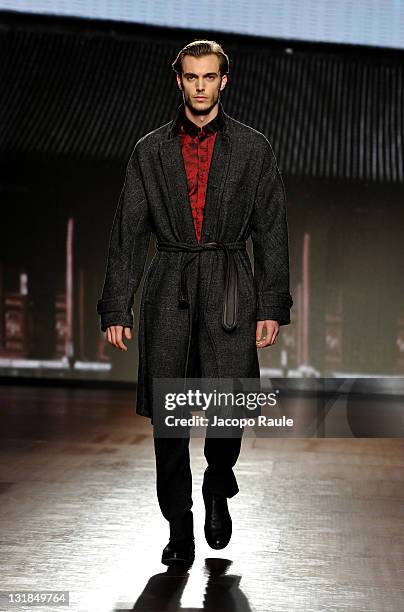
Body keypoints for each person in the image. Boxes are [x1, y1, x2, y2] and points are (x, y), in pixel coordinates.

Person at [96, 40, 293, 566]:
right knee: (170, 420)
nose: (201, 86)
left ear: (224, 81)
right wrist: (118, 304)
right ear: (178, 80)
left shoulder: (254, 149)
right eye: (191, 77)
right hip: (170, 288)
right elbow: (129, 231)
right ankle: (179, 527)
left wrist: (271, 303)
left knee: (230, 408)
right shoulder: (150, 150)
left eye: (210, 77)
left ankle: (216, 480)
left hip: (230, 285)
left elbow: (272, 230)